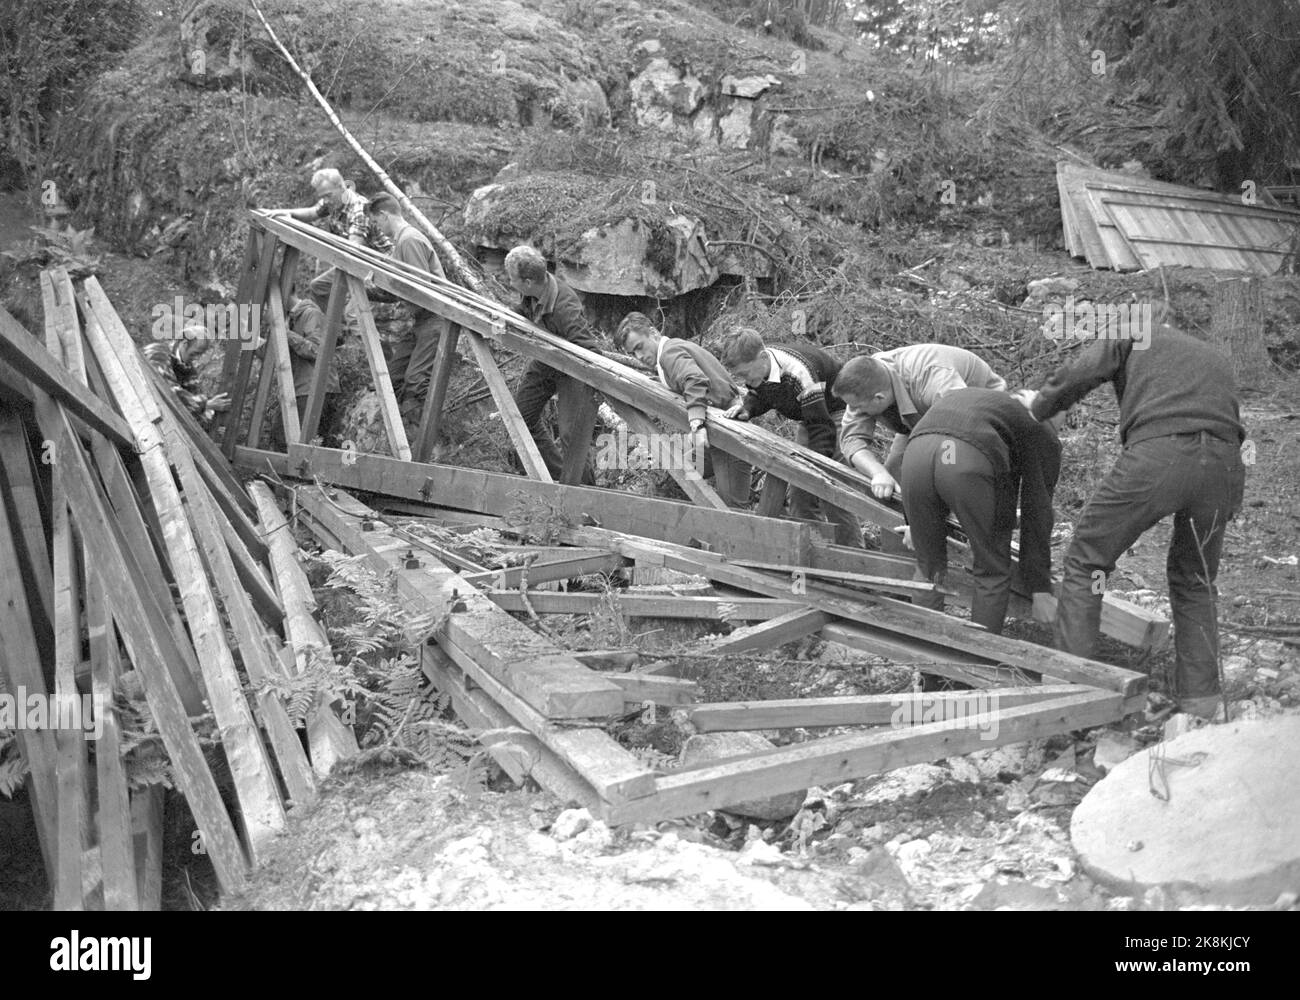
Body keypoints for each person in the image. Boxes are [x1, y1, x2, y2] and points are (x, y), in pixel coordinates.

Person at [1015, 322, 1247, 720]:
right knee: (1196, 581)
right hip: (1225, 467)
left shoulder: (1134, 329)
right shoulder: (1212, 353)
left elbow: (1084, 371)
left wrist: (1038, 404)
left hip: (1160, 456)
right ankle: (1200, 703)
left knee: (1089, 561)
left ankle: (1074, 693)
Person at [901, 387, 1061, 634]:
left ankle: (926, 665)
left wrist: (915, 523)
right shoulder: (1041, 428)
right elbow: (1036, 510)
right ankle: (975, 662)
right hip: (964, 459)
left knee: (928, 565)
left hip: (916, 454)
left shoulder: (984, 400)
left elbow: (938, 452)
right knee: (991, 569)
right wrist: (1040, 588)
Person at [717, 327, 863, 547]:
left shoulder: (798, 372)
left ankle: (854, 558)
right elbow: (761, 393)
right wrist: (747, 409)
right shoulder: (762, 367)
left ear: (763, 357)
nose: (745, 380)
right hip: (812, 416)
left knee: (832, 488)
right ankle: (814, 550)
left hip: (837, 414)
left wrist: (816, 468)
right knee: (799, 492)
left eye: (745, 374)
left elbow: (821, 428)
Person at [834, 344, 1007, 500]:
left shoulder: (935, 379)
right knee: (895, 474)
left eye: (858, 407)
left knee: (949, 477)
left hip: (977, 419)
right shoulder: (865, 386)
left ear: (879, 398)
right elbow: (851, 440)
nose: (855, 411)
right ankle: (908, 529)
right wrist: (878, 473)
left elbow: (957, 435)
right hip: (925, 420)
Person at [616, 312, 751, 506]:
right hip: (717, 434)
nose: (639, 356)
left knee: (733, 512)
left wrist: (696, 423)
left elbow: (694, 379)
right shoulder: (673, 350)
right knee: (682, 472)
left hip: (729, 435)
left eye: (639, 347)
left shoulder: (669, 355)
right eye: (632, 353)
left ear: (653, 333)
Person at [505, 245, 600, 482]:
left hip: (575, 369)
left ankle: (588, 493)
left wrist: (591, 388)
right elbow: (524, 311)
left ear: (528, 282)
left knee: (572, 436)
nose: (509, 282)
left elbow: (590, 351)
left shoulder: (564, 307)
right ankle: (560, 475)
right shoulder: (533, 290)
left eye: (512, 279)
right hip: (548, 359)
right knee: (520, 417)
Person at [364, 193, 450, 424]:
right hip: (421, 320)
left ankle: (427, 442)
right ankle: (400, 436)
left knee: (415, 381)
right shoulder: (401, 243)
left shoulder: (408, 240)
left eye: (377, 222)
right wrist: (370, 289)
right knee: (392, 377)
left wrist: (380, 284)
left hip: (434, 317)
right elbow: (404, 291)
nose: (379, 229)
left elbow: (421, 290)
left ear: (384, 215)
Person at [268, 168, 392, 313]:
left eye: (328, 195)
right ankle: (332, 330)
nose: (326, 200)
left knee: (354, 312)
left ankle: (342, 330)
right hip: (353, 263)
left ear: (341, 187)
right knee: (319, 287)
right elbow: (312, 212)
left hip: (377, 270)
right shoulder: (334, 201)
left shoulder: (359, 209)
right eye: (323, 196)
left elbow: (353, 251)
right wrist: (287, 213)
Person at [284, 291, 340, 444]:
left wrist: (285, 334)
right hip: (301, 389)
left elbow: (318, 352)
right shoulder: (289, 319)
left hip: (315, 388)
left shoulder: (311, 314)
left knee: (300, 444)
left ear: (287, 291)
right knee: (283, 439)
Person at [143, 329, 229, 427]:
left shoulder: (189, 369)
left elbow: (195, 396)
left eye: (200, 355)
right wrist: (206, 405)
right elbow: (169, 392)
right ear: (184, 344)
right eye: (194, 354)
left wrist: (210, 417)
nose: (196, 358)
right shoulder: (157, 353)